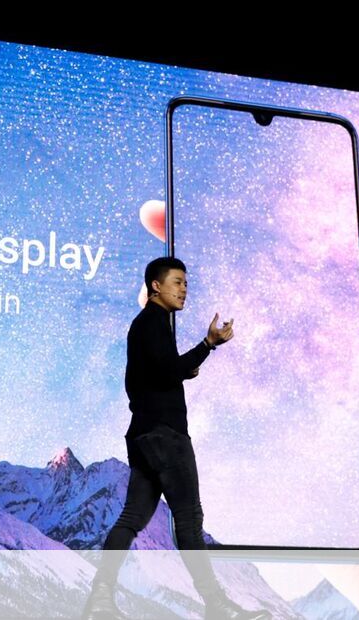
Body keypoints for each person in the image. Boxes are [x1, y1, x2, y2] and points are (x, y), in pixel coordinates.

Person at [82, 256, 269, 620]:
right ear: (156, 286)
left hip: (142, 436)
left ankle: (99, 599)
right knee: (188, 520)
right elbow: (168, 372)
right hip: (167, 437)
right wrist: (207, 344)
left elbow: (145, 379)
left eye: (186, 283)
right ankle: (218, 608)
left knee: (131, 518)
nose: (184, 289)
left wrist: (181, 369)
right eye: (178, 282)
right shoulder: (154, 321)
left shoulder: (143, 325)